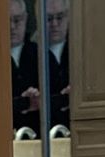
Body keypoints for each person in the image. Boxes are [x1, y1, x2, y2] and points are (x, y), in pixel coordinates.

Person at [9, 0, 42, 135]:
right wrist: (22, 103)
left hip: (39, 135)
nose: (11, 27)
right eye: (6, 21)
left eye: (17, 20)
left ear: (25, 19)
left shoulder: (41, 54)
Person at [43, 0, 70, 131]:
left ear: (68, 16)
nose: (54, 24)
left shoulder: (80, 49)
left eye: (59, 17)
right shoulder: (31, 52)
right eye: (48, 18)